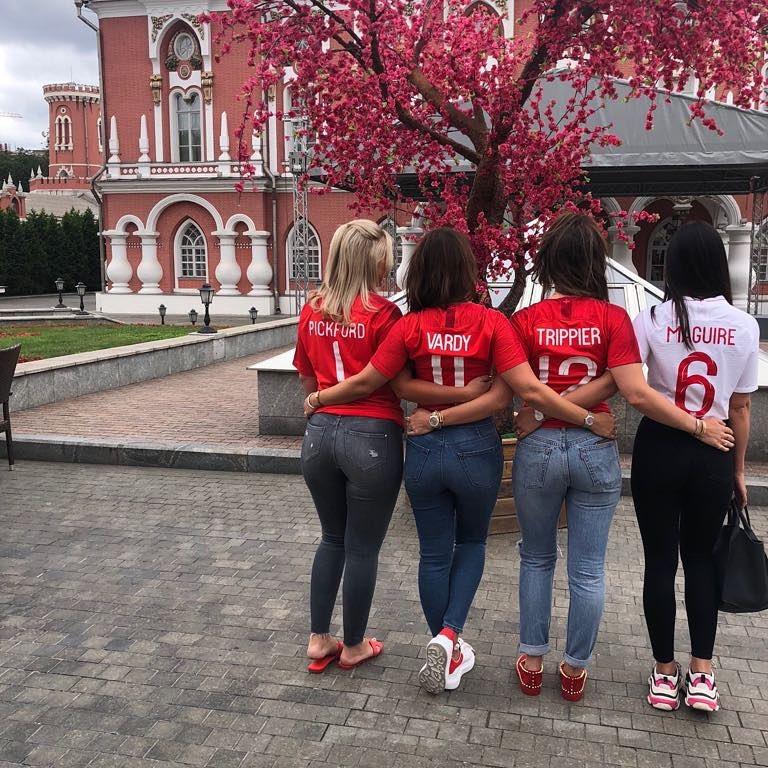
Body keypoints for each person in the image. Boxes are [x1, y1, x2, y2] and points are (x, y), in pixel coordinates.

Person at [407, 213, 734, 702]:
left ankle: (532, 659)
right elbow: (627, 387)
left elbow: (517, 390)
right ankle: (575, 670)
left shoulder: (523, 320)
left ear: (547, 264)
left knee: (536, 558)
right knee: (588, 569)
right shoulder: (615, 318)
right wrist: (585, 415)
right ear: (594, 263)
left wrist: (540, 415)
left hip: (538, 450)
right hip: (594, 450)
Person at [303, 226, 618, 694]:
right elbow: (501, 398)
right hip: (474, 449)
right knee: (472, 544)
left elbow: (393, 383)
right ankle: (452, 635)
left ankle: (440, 641)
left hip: (419, 450)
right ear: (469, 271)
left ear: (420, 271)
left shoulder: (404, 324)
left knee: (431, 552)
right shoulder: (492, 323)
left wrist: (429, 419)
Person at [295, 220, 491, 673]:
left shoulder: (311, 311)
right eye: (384, 260)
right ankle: (354, 644)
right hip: (371, 436)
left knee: (331, 539)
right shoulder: (385, 316)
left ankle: (318, 638)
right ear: (372, 261)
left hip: (320, 435)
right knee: (362, 548)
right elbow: (395, 383)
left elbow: (307, 377)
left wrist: (321, 399)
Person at [631, 221, 759, 713]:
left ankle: (665, 673)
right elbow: (742, 408)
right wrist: (738, 471)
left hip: (661, 444)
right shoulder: (744, 326)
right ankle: (703, 673)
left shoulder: (652, 318)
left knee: (660, 561)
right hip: (716, 446)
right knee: (702, 560)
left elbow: (635, 387)